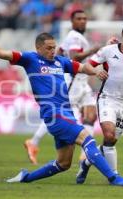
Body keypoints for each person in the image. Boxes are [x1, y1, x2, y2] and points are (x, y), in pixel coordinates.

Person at [0, 29, 123, 186]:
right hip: (54, 115)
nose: (52, 51)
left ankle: (26, 177)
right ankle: (113, 177)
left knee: (63, 164)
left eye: (54, 47)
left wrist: (95, 71)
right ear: (38, 48)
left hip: (66, 114)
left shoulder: (61, 62)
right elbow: (2, 54)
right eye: (48, 48)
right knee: (88, 140)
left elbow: (82, 67)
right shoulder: (30, 59)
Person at [24, 10, 100, 165]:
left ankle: (85, 156)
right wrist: (94, 50)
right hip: (72, 82)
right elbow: (74, 57)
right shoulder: (74, 36)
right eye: (79, 19)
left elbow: (59, 54)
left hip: (82, 83)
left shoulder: (75, 38)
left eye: (85, 18)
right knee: (59, 115)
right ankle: (34, 142)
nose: (83, 21)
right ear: (72, 21)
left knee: (91, 114)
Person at [76, 22, 123, 184]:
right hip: (107, 99)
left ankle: (87, 162)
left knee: (111, 141)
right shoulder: (108, 51)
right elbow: (87, 65)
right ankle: (114, 176)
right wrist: (96, 71)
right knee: (108, 134)